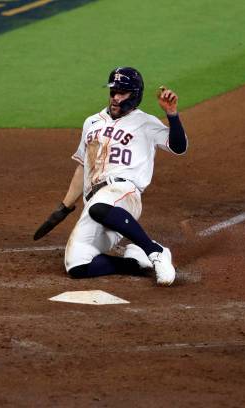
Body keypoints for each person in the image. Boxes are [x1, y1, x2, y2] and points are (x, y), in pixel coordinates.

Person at [33, 66, 188, 286]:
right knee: (77, 266)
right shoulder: (92, 122)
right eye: (113, 92)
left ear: (134, 95)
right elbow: (82, 167)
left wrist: (172, 115)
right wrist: (64, 208)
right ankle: (136, 261)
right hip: (96, 202)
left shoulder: (146, 123)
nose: (115, 98)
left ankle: (155, 252)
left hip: (124, 193)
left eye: (121, 93)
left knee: (100, 208)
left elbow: (179, 147)